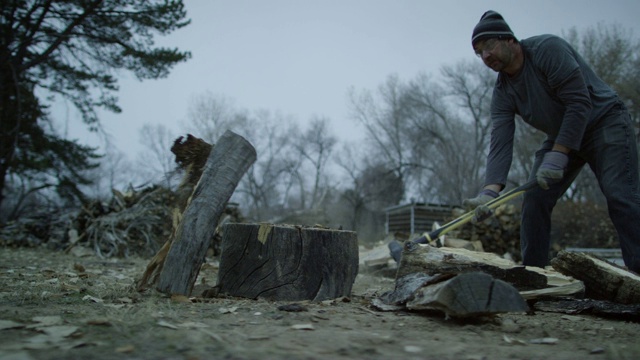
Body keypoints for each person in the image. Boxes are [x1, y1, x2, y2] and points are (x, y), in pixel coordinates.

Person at [463, 10, 640, 273]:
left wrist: (559, 154)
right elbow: (500, 141)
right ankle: (534, 275)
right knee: (534, 199)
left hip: (604, 121)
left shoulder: (547, 50)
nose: (486, 56)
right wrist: (489, 193)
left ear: (510, 39)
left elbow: (579, 102)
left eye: (489, 46)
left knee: (620, 196)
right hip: (563, 136)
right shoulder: (502, 92)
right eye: (479, 53)